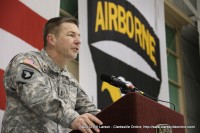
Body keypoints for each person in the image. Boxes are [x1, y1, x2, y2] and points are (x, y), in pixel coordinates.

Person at [1, 16, 103, 133]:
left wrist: (113, 122)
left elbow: (91, 111)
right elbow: (37, 96)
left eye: (79, 36)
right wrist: (72, 118)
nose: (78, 41)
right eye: (71, 35)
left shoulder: (70, 80)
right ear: (51, 39)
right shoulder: (27, 61)